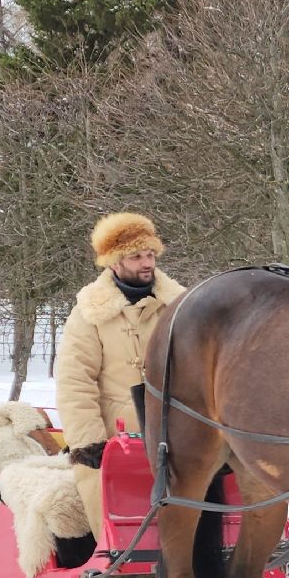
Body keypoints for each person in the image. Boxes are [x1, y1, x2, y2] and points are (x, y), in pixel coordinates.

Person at [57, 212, 186, 531]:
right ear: (114, 262)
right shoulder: (89, 314)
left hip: (178, 434)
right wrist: (89, 444)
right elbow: (75, 383)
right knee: (119, 527)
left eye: (150, 254)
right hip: (116, 439)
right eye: (136, 256)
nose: (147, 263)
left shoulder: (180, 305)